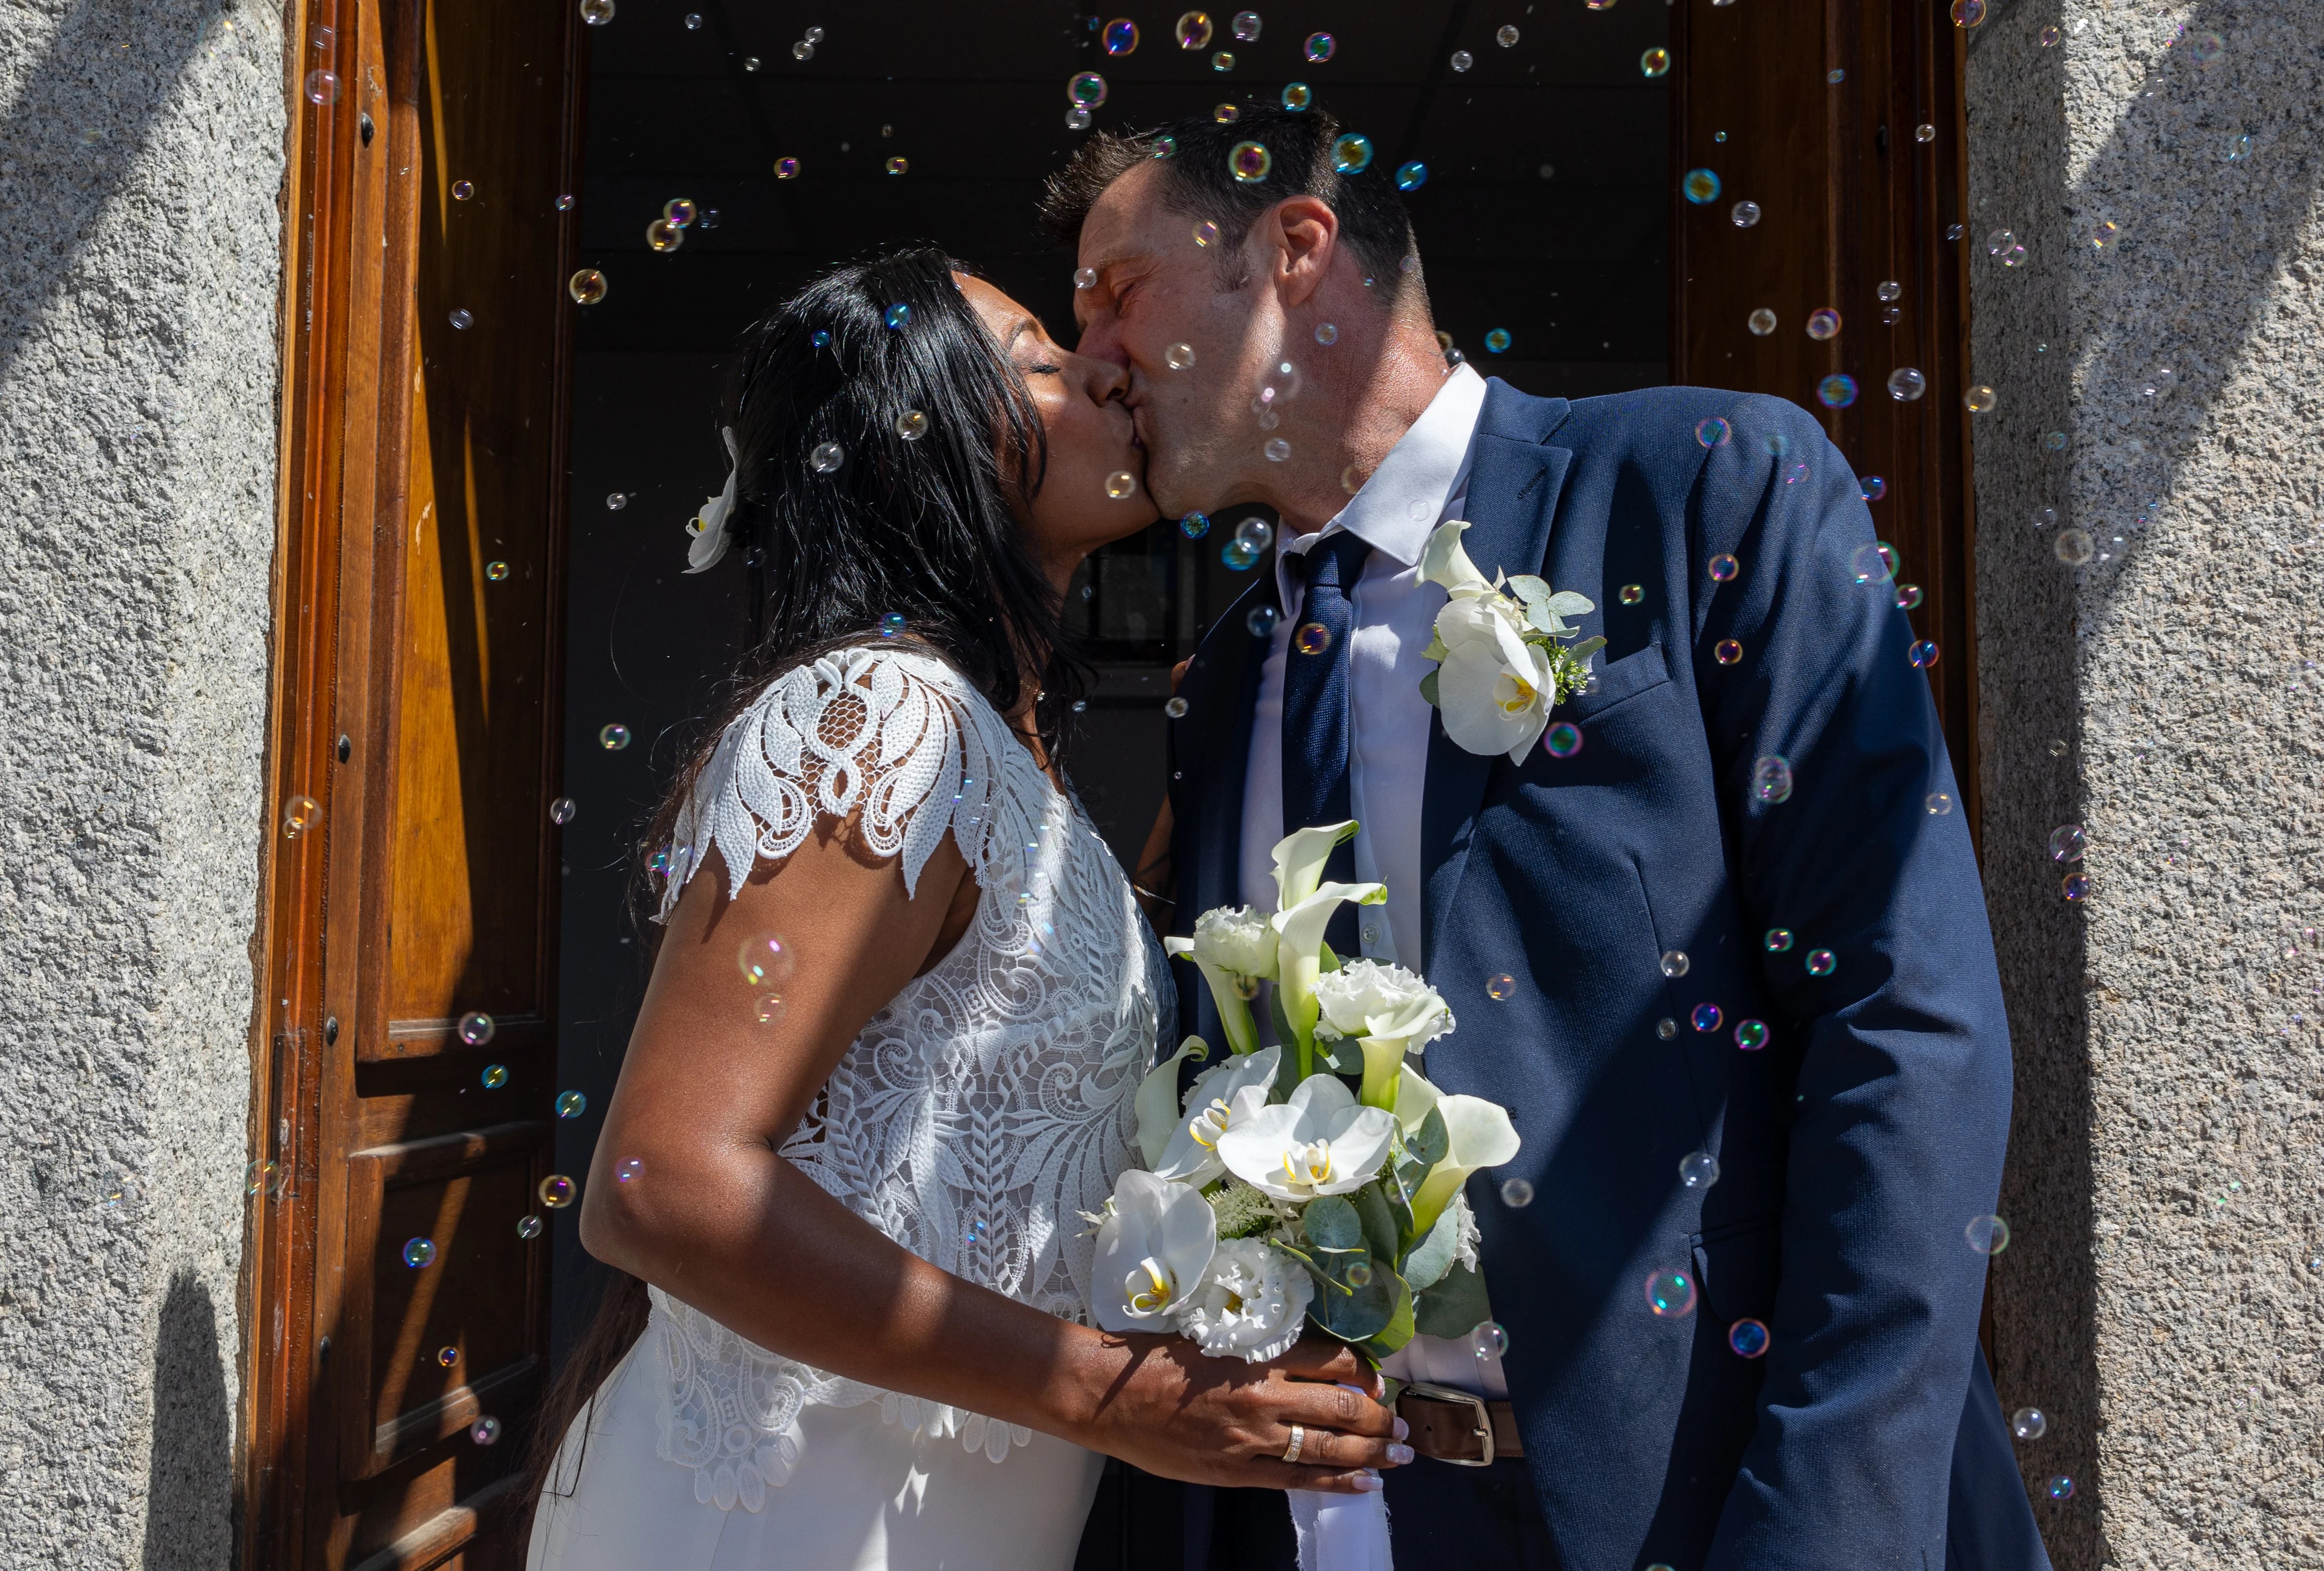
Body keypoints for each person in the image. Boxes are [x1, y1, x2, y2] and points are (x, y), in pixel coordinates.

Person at [1045, 110, 2054, 1570]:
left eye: (1118, 291)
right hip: (1354, 1524)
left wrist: (1824, 1532)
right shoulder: (1229, 680)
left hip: (1718, 1498)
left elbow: (1907, 1019)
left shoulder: (1701, 487)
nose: (1094, 356)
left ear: (1293, 250)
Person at [524, 249, 1410, 1571]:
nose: (1106, 370)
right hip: (784, 1526)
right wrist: (1113, 1396)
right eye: (1040, 357)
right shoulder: (879, 719)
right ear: (919, 440)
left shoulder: (1002, 756)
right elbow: (662, 1186)